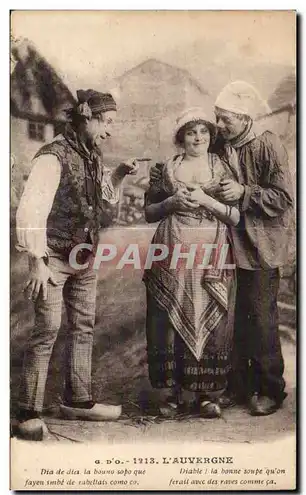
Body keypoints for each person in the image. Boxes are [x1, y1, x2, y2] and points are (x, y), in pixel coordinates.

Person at [15, 89, 139, 439]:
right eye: (108, 123)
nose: (110, 131)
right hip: (52, 255)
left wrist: (116, 177)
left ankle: (78, 400)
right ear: (87, 117)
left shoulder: (93, 155)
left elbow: (104, 209)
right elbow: (30, 212)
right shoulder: (51, 156)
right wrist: (37, 262)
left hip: (84, 255)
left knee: (83, 325)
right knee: (47, 328)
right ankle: (28, 411)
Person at [143, 108, 240, 419]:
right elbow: (149, 212)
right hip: (172, 248)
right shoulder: (165, 170)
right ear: (180, 137)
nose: (198, 137)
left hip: (211, 249)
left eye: (204, 132)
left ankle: (205, 394)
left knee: (208, 314)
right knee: (170, 316)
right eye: (191, 132)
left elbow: (236, 216)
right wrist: (171, 202)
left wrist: (208, 201)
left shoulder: (223, 169)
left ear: (211, 137)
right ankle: (171, 394)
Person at [213, 81, 294, 416]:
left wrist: (244, 193)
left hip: (261, 244)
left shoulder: (267, 144)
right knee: (235, 317)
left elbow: (283, 197)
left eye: (225, 119)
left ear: (245, 118)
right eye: (217, 118)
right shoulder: (223, 144)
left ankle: (270, 389)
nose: (219, 126)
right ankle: (240, 385)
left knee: (261, 318)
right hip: (231, 243)